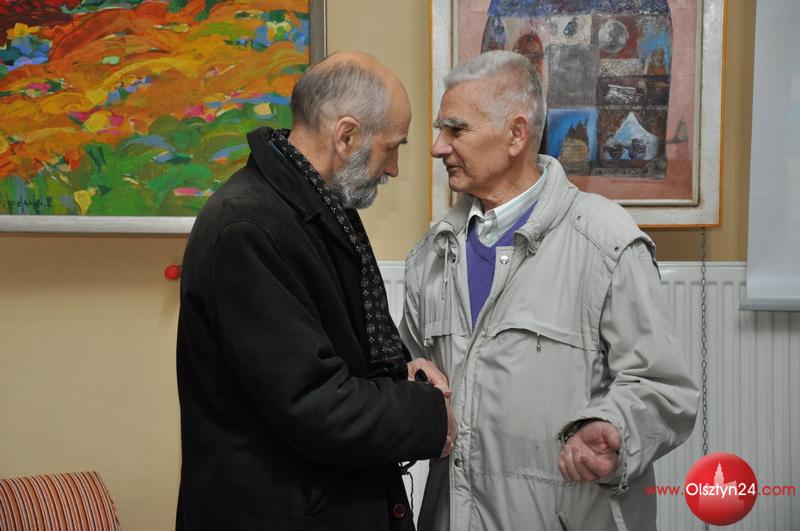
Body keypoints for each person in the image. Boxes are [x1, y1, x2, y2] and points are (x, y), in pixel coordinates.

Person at [399, 50, 699, 530]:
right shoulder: (432, 253)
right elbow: (412, 373)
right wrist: (403, 383)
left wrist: (614, 427)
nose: (437, 147)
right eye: (440, 129)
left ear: (516, 135)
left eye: (455, 129)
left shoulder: (605, 242)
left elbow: (664, 389)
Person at [176, 51, 457, 530]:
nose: (393, 167)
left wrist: (400, 371)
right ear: (346, 136)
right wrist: (429, 417)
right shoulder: (247, 228)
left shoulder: (317, 205)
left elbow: (336, 343)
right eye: (392, 147)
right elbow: (315, 404)